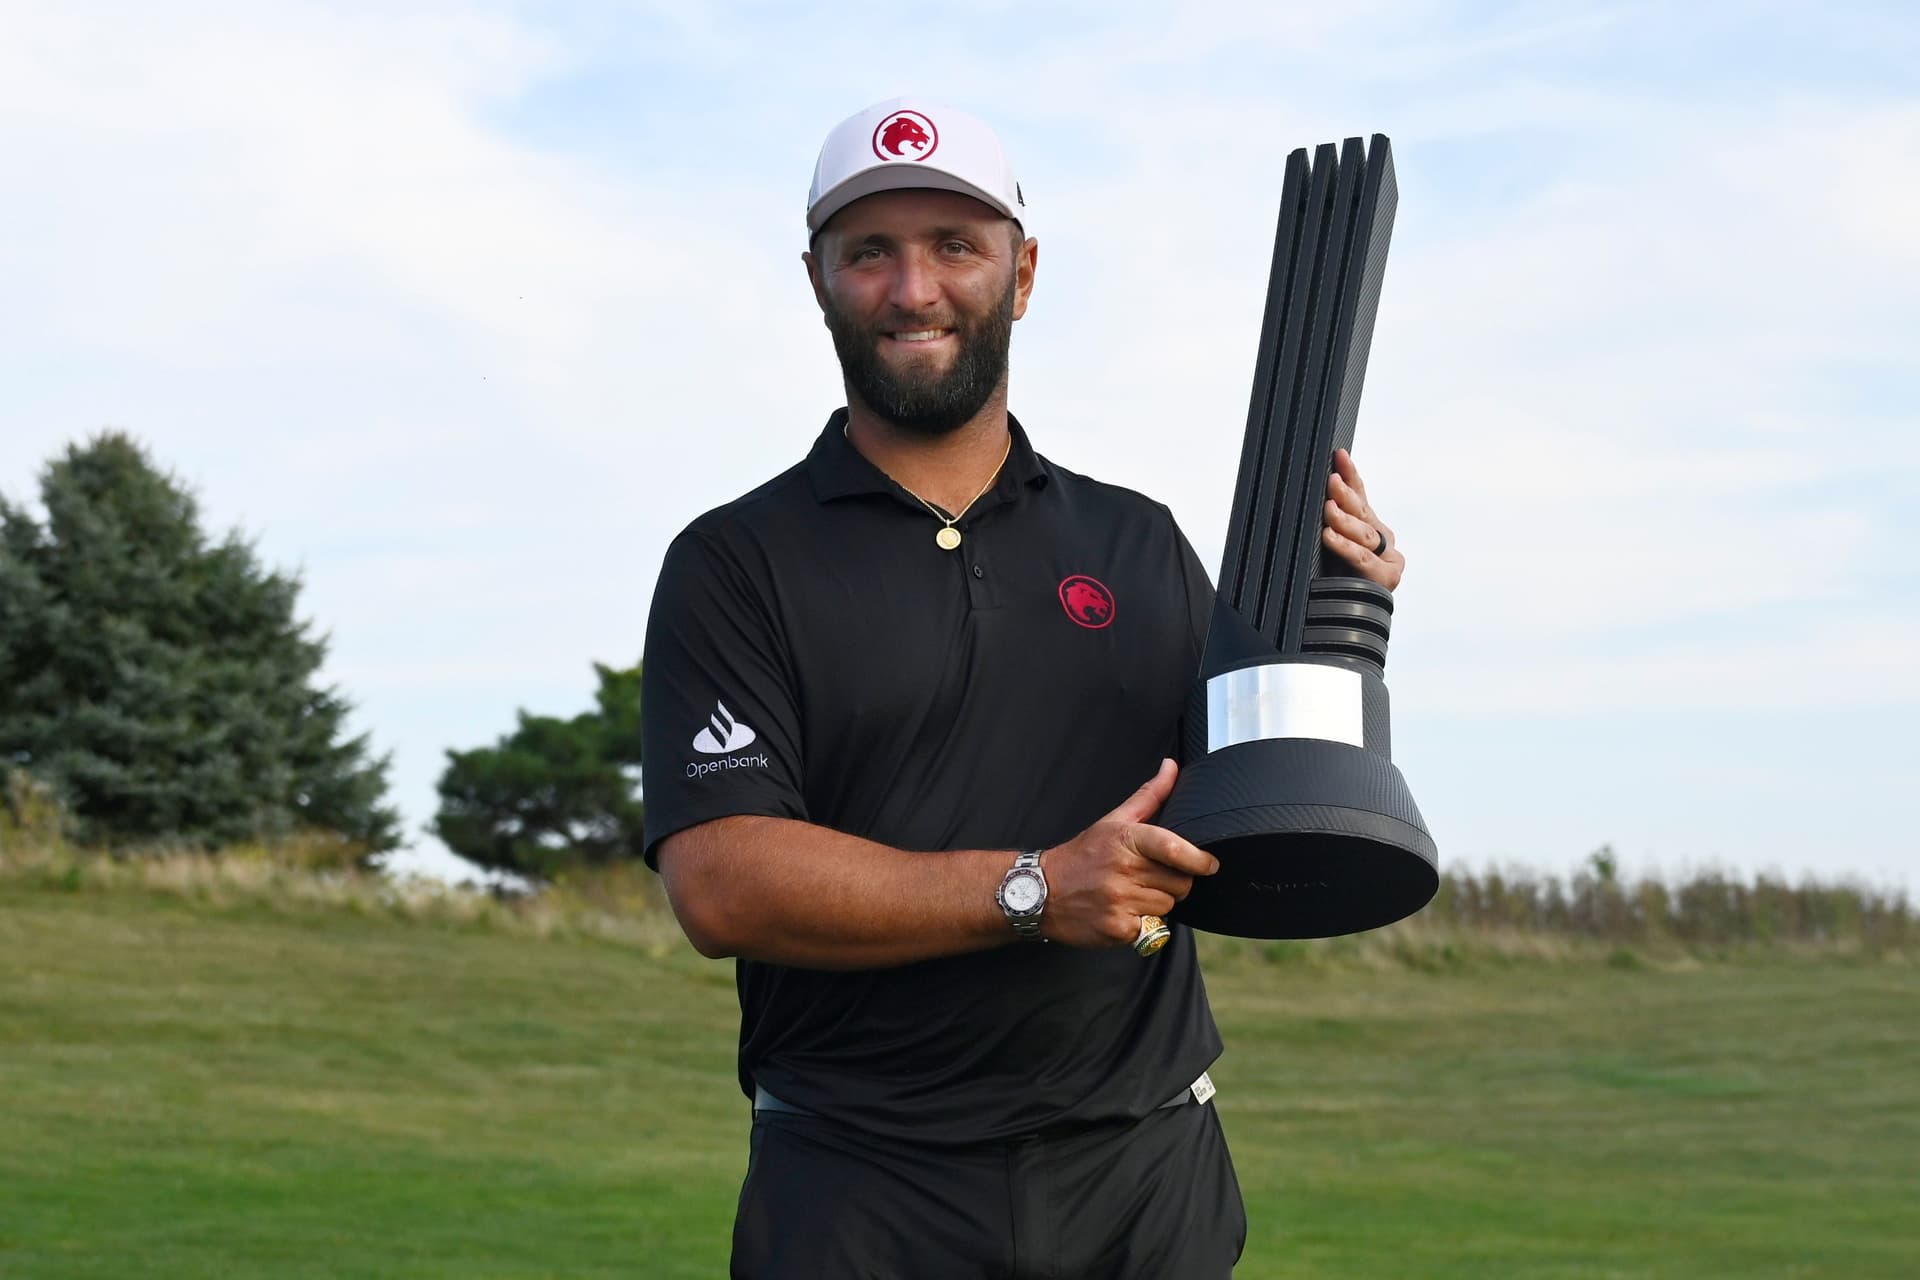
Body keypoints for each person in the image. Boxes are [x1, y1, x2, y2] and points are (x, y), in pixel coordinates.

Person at [640, 97, 1407, 1280]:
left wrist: (1342, 620)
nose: (914, 289)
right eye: (870, 252)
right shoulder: (738, 560)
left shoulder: (1138, 541)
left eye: (955, 244)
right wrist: (1034, 889)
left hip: (1142, 1174)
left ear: (1023, 270)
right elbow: (722, 881)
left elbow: (1251, 808)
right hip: (860, 1186)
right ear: (817, 279)